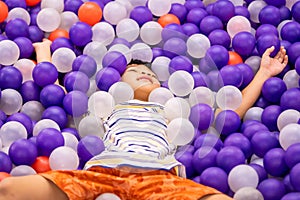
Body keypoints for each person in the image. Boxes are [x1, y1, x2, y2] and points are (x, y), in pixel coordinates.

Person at [0, 39, 288, 200]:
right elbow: (55, 89)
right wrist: (44, 50)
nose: (146, 73)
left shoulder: (175, 112)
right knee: (9, 189)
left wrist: (264, 72)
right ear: (116, 81)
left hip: (162, 181)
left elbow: (229, 115)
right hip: (101, 175)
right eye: (135, 70)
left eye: (151, 73)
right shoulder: (104, 107)